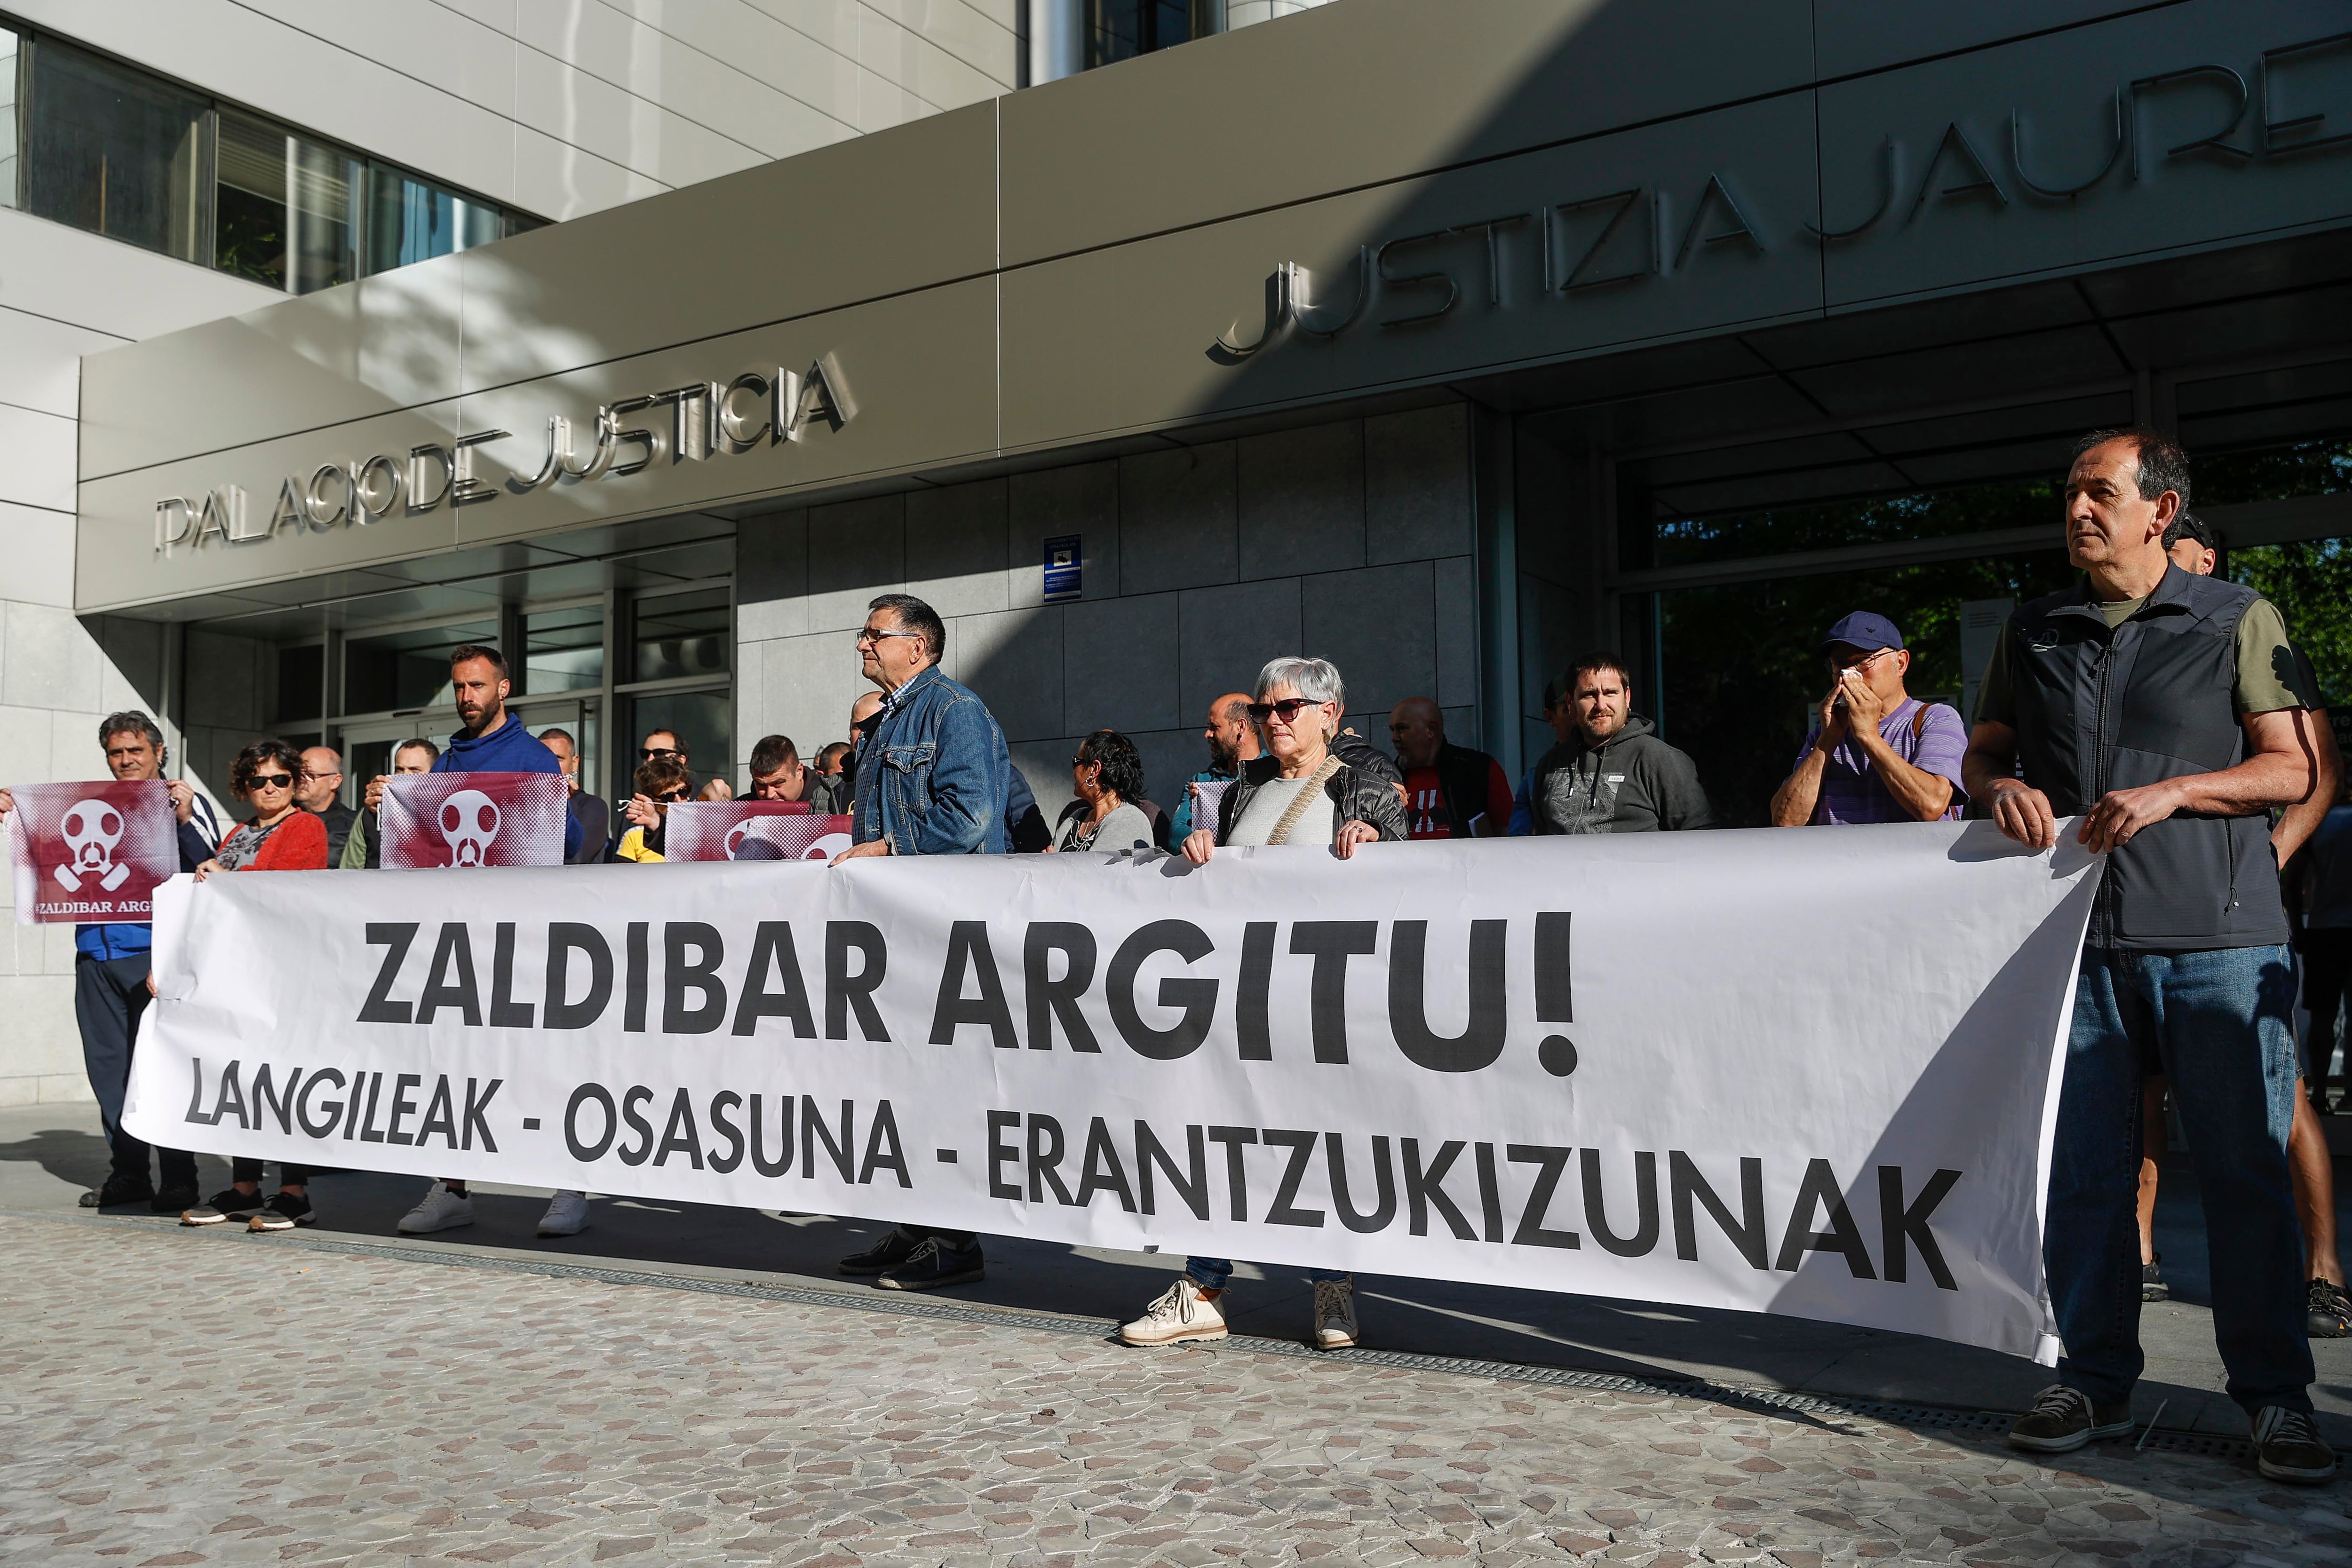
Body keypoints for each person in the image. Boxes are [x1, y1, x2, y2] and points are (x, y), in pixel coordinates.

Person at [1964, 427, 2332, 1484]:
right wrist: (1998, 789)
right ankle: (2092, 1377)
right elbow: (1986, 751)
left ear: (2158, 511)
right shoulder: (2034, 627)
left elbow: (2291, 770)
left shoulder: (2234, 616)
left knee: (2241, 1175)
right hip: (2075, 945)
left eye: (2096, 492)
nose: (2076, 509)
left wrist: (2175, 792)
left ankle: (2274, 1398)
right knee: (2082, 1174)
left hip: (2218, 941)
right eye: (2070, 492)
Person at [1146, 657, 1406, 1352]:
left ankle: (1332, 1286)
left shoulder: (1363, 782)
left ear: (1331, 713)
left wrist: (1378, 842)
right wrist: (1198, 846)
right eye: (1264, 711)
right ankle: (1202, 1286)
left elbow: (1410, 879)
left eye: (1288, 708)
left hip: (1320, 1003)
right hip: (1237, 999)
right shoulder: (1241, 788)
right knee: (1217, 1137)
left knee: (1321, 1141)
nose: (1274, 721)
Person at [2127, 531, 2350, 1337]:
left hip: (2232, 917)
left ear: (2203, 555)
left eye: (2170, 545)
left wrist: (2272, 851)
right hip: (2141, 913)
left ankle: (2322, 1269)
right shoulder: (2132, 643)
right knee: (2137, 1093)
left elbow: (2317, 767)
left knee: (2278, 1098)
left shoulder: (2246, 626)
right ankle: (2141, 1252)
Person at [366, 645, 588, 1241]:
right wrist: (384, 815)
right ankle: (453, 1186)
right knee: (455, 1067)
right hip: (458, 940)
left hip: (522, 939)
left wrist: (555, 808)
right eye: (459, 687)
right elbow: (420, 853)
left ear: (504, 689)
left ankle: (570, 1183)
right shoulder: (442, 764)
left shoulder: (532, 756)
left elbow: (570, 843)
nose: (466, 697)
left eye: (477, 686)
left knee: (541, 1062)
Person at [831, 594, 1009, 1292]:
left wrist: (888, 847)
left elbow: (973, 814)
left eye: (874, 635)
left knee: (945, 1084)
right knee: (901, 1082)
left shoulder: (954, 711)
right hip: (900, 934)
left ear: (919, 646)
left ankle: (956, 1237)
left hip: (946, 933)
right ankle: (917, 1221)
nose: (862, 646)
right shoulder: (890, 721)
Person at [0, 713, 218, 1213]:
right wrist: (16, 812)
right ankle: (129, 1173)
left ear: (159, 752)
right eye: (117, 752)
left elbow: (210, 865)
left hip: (152, 957)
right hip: (94, 956)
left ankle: (180, 1178)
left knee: (163, 1070)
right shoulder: (86, 806)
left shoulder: (182, 801)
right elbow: (48, 850)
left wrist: (184, 819)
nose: (126, 761)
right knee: (109, 1072)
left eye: (135, 751)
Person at [178, 739, 330, 1230]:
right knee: (241, 1081)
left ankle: (294, 1190)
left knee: (282, 1083)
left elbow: (289, 891)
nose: (269, 788)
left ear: (295, 782)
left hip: (284, 974)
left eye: (280, 779)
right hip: (238, 972)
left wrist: (224, 878)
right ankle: (244, 1186)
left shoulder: (306, 825)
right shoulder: (240, 831)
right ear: (244, 786)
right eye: (259, 780)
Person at [1768, 613, 1967, 827]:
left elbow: (1931, 806)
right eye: (1839, 663)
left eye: (1863, 660)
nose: (1849, 674)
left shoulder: (1935, 719)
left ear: (1900, 663)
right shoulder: (1825, 732)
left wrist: (1868, 736)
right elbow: (1786, 822)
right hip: (1838, 860)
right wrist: (1830, 737)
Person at [1509, 655, 1713, 834]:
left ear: (1627, 697)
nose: (1601, 705)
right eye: (1589, 694)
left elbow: (1701, 842)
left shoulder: (1660, 761)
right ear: (1571, 704)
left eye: (1610, 693)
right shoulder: (1550, 765)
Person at [1388, 696, 1512, 839]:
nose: (1395, 738)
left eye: (1402, 729)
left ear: (1431, 730)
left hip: (1467, 861)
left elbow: (1508, 832)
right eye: (1393, 730)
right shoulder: (1389, 777)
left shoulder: (1478, 768)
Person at [1170, 693, 1260, 842]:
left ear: (1240, 727)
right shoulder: (1201, 782)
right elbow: (1176, 835)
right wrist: (1201, 843)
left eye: (1214, 727)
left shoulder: (1274, 775)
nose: (1208, 734)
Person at [338, 739, 438, 870]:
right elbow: (351, 868)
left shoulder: (445, 813)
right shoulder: (372, 813)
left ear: (435, 773)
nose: (405, 776)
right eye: (400, 770)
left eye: (415, 770)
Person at [1051, 730, 1156, 852]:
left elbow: (1096, 869)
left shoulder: (1129, 819)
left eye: (1076, 762)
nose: (1074, 772)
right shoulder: (1077, 817)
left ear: (1095, 769)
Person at [540, 727, 610, 864]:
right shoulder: (524, 805)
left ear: (575, 763)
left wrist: (560, 804)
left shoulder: (594, 806)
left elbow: (577, 858)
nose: (550, 764)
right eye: (543, 758)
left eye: (558, 759)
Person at [615, 756, 694, 861]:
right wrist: (654, 823)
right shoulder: (634, 836)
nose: (678, 801)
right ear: (651, 800)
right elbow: (623, 876)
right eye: (667, 797)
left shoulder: (705, 827)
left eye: (683, 792)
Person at [748, 733, 845, 814]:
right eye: (761, 785)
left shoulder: (832, 799)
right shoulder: (744, 808)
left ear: (799, 771)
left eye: (778, 783)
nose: (770, 794)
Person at [295, 745, 356, 864]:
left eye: (310, 775)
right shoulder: (282, 821)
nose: (301, 780)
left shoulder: (354, 827)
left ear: (335, 781)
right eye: (298, 774)